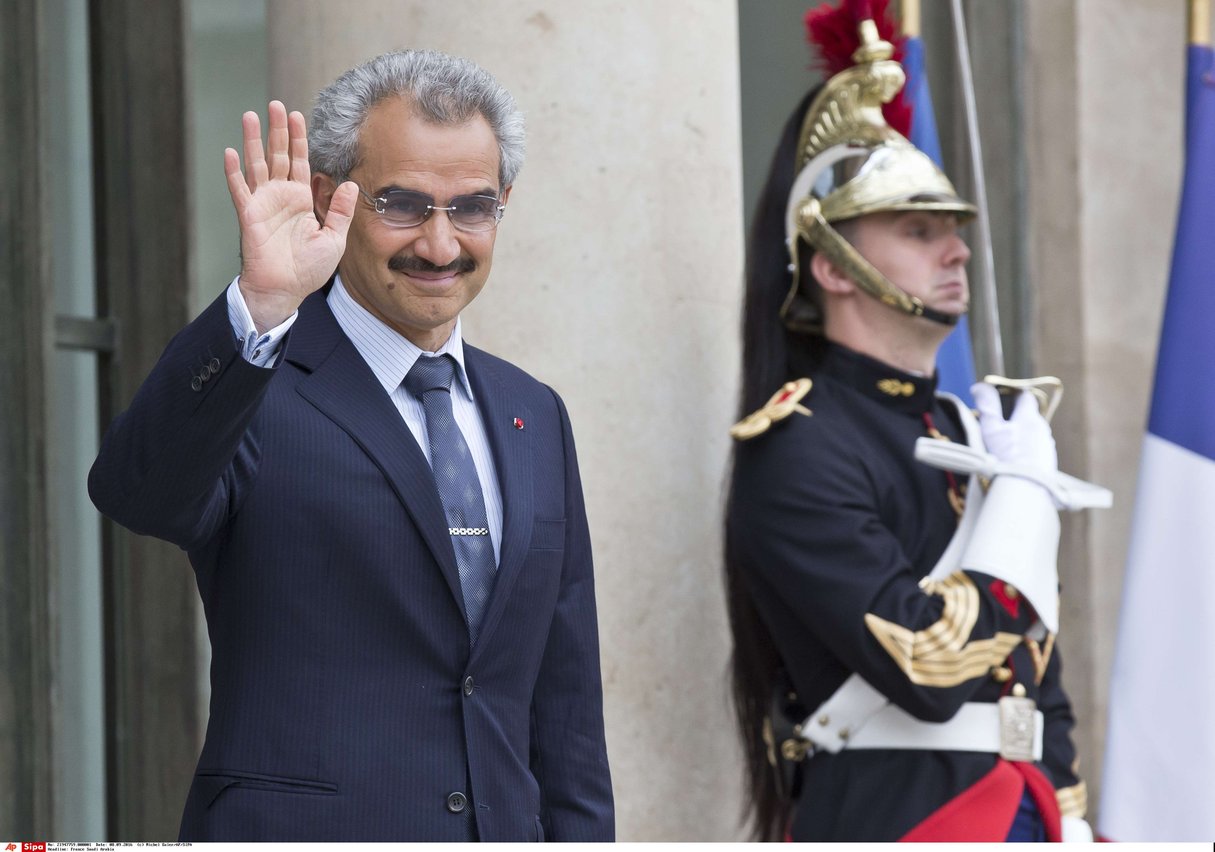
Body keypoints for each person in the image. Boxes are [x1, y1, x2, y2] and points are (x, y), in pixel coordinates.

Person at [89, 49, 614, 842]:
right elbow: (137, 491)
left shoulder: (532, 412)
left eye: (471, 208)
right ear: (333, 199)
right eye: (402, 205)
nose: (440, 246)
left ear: (505, 203)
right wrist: (262, 306)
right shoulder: (258, 377)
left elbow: (565, 708)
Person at [723, 4, 1099, 843]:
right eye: (919, 230)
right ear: (833, 267)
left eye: (954, 231)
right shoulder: (799, 446)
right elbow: (927, 664)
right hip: (900, 820)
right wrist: (1022, 504)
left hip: (1022, 813)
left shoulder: (971, 432)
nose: (957, 251)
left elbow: (1038, 675)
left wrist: (1066, 814)